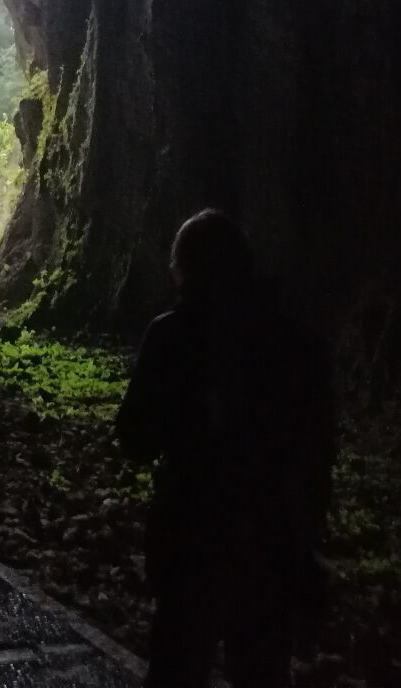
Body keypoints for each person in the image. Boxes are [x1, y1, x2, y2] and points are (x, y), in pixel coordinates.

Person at [114, 209, 334, 688]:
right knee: (261, 670)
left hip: (191, 531)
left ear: (182, 269)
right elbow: (319, 451)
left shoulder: (170, 337)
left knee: (177, 664)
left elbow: (134, 437)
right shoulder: (299, 344)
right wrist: (307, 533)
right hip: (271, 537)